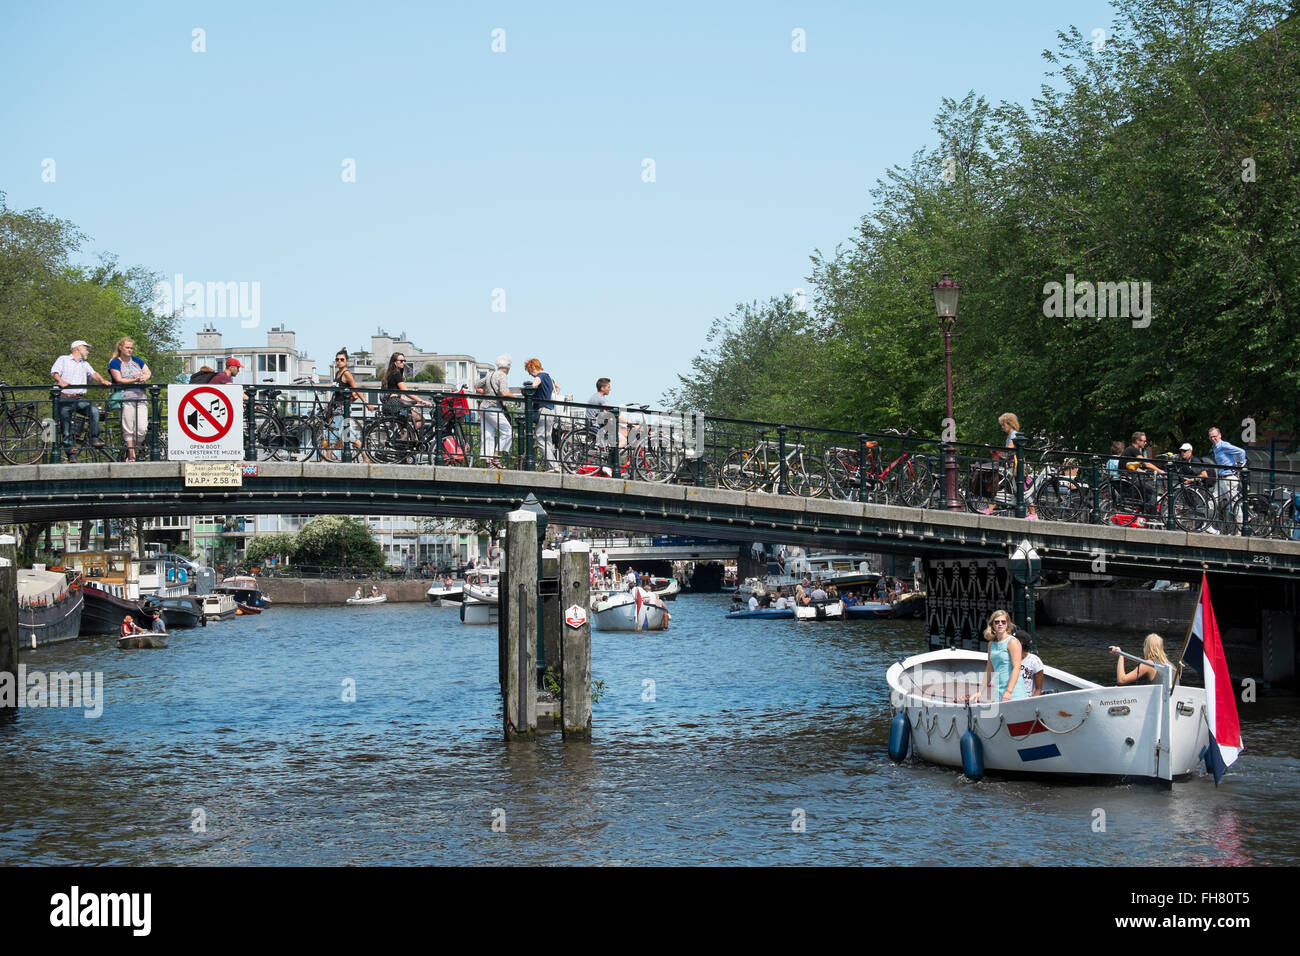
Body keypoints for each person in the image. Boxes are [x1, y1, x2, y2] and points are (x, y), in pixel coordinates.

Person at [51, 340, 111, 456]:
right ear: (77, 348)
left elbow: (93, 374)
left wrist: (102, 380)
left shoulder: (85, 364)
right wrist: (61, 381)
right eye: (85, 348)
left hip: (79, 399)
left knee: (94, 411)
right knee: (66, 426)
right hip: (64, 398)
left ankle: (94, 438)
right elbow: (54, 372)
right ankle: (70, 453)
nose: (87, 350)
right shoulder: (63, 359)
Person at [107, 338, 152, 461]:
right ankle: (131, 455)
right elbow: (119, 379)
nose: (130, 350)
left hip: (141, 397)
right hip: (125, 397)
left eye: (131, 348)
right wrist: (135, 380)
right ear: (121, 348)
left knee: (142, 428)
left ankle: (134, 452)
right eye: (127, 347)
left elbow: (148, 372)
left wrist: (144, 376)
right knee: (128, 427)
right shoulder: (115, 362)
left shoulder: (137, 361)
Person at [328, 349, 373, 457]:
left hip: (342, 409)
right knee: (346, 435)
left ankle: (325, 460)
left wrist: (366, 404)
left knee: (333, 435)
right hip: (337, 408)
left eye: (342, 359)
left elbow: (356, 389)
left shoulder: (346, 374)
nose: (339, 361)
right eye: (337, 359)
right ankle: (365, 456)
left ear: (347, 361)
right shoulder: (338, 373)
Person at [977, 610, 1027, 702]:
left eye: (1003, 622)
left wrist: (1009, 691)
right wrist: (980, 691)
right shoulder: (991, 644)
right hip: (998, 691)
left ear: (1007, 624)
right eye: (997, 622)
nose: (1000, 624)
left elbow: (1017, 667)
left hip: (1013, 692)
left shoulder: (1012, 642)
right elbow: (989, 668)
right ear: (992, 625)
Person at [477, 354, 515, 468]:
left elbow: (476, 385)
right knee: (507, 431)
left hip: (483, 408)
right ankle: (496, 456)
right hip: (493, 408)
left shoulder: (490, 374)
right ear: (507, 367)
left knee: (488, 434)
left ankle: (488, 462)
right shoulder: (502, 375)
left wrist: (486, 393)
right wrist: (517, 398)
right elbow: (504, 393)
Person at [1208, 426, 1248, 528]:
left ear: (1220, 435)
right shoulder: (1215, 448)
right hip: (1221, 479)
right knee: (1212, 501)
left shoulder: (1224, 446)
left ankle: (1241, 529)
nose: (1213, 439)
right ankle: (1207, 526)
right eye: (1211, 437)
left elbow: (1241, 452)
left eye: (1215, 436)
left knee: (1235, 505)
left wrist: (1240, 465)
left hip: (1230, 478)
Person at [524, 358, 559, 471]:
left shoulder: (541, 376)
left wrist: (528, 389)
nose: (530, 374)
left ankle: (554, 466)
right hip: (550, 411)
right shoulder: (549, 377)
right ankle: (552, 466)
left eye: (530, 371)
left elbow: (534, 385)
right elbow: (557, 388)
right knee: (547, 439)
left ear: (533, 367)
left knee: (540, 439)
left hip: (542, 410)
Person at [381, 353, 432, 426]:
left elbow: (396, 391)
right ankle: (406, 436)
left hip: (390, 404)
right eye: (401, 361)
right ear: (394, 362)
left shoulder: (389, 373)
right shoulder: (396, 374)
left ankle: (406, 434)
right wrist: (422, 401)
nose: (403, 363)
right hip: (395, 405)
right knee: (421, 419)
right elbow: (406, 392)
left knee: (405, 425)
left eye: (404, 360)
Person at [1122, 431, 1163, 515]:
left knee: (1147, 489)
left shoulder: (1130, 450)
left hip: (1127, 477)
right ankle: (1151, 515)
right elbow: (1146, 463)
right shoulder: (1133, 450)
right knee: (1153, 491)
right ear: (1137, 441)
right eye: (1144, 441)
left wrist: (1145, 472)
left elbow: (1133, 467)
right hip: (1130, 479)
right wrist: (1161, 471)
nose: (1145, 443)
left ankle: (1145, 512)